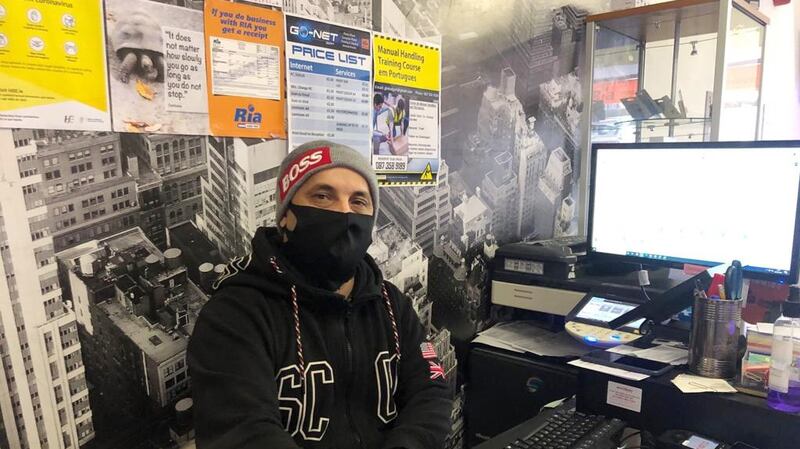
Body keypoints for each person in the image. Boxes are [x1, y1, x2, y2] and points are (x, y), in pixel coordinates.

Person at [188, 141, 453, 449]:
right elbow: (243, 433)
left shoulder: (392, 305)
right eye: (323, 196)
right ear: (286, 215)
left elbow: (431, 392)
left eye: (358, 202)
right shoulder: (235, 316)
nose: (344, 213)